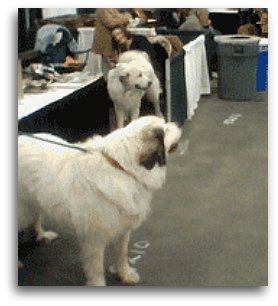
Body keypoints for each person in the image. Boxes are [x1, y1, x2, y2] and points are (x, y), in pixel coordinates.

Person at [91, 8, 132, 78]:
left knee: (115, 65)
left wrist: (122, 17)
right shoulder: (102, 8)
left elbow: (118, 19)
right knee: (109, 68)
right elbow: (111, 22)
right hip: (106, 42)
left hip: (114, 42)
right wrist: (126, 17)